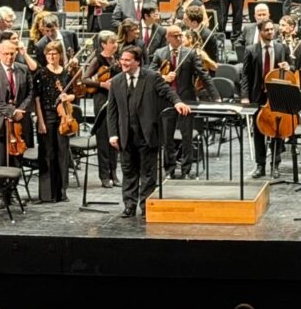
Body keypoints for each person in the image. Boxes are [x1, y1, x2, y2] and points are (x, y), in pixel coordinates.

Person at [107, 44, 189, 216]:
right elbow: (112, 111)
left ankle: (146, 206)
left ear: (138, 62)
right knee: (128, 171)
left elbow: (168, 92)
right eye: (122, 59)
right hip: (126, 135)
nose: (124, 63)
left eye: (128, 60)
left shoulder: (152, 78)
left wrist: (178, 102)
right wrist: (113, 134)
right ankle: (129, 205)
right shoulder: (116, 82)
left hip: (147, 133)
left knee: (148, 172)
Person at [153, 25, 215, 178]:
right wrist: (163, 78)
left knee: (187, 137)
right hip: (167, 101)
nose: (179, 38)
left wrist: (216, 96)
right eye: (175, 36)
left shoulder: (190, 53)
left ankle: (186, 170)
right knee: (167, 138)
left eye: (181, 35)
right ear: (168, 37)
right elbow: (151, 73)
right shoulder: (160, 53)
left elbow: (203, 74)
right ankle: (169, 169)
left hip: (186, 99)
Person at [239, 20, 294, 177]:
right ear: (260, 31)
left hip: (277, 95)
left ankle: (275, 165)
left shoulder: (281, 48)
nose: (271, 32)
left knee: (277, 131)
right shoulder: (251, 50)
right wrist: (245, 96)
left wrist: (288, 67)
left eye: (272, 29)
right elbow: (246, 76)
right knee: (258, 132)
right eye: (267, 30)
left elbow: (292, 68)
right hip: (258, 96)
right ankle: (260, 165)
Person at [0, 33, 35, 173]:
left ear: (16, 53)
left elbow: (30, 93)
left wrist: (20, 111)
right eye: (5, 54)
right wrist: (12, 112)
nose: (9, 57)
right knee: (1, 162)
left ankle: (13, 190)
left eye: (12, 53)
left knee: (17, 162)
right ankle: (1, 194)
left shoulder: (23, 69)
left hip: (20, 123)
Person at [32, 40, 75, 202]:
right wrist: (40, 122)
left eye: (54, 54)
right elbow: (36, 99)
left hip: (63, 117)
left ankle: (62, 191)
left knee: (63, 154)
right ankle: (47, 193)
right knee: (48, 153)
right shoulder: (41, 74)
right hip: (47, 116)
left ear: (60, 55)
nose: (51, 57)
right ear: (45, 56)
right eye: (48, 54)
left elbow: (73, 94)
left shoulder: (66, 73)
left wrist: (67, 96)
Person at [82, 30, 122, 187]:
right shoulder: (98, 59)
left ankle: (114, 173)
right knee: (104, 139)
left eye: (116, 42)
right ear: (104, 44)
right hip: (102, 100)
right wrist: (101, 84)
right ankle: (104, 175)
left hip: (115, 100)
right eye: (112, 42)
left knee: (114, 138)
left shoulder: (117, 59)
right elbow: (84, 79)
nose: (115, 45)